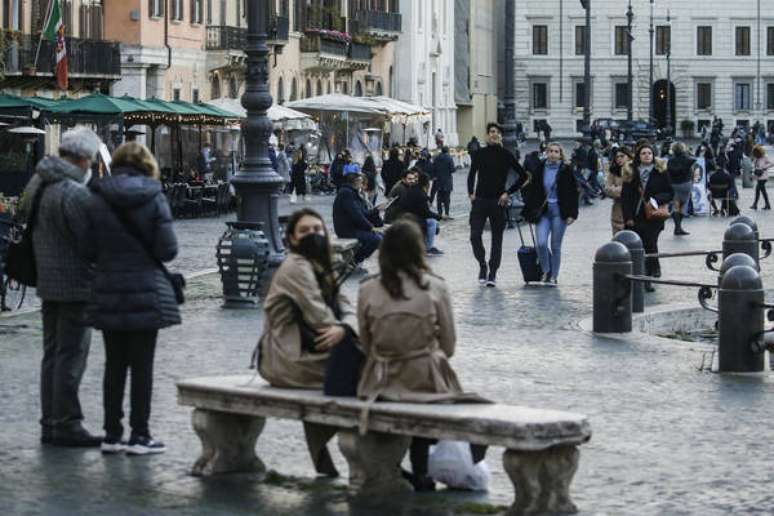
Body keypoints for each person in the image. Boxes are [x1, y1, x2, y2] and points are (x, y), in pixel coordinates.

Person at [357, 219, 483, 492]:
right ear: (419, 250)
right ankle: (422, 469)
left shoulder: (367, 289)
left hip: (381, 381)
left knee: (415, 402)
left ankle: (404, 469)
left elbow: (366, 344)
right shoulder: (435, 287)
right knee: (437, 398)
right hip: (423, 377)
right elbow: (448, 347)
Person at [82, 142, 180, 455]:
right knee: (142, 367)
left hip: (108, 287)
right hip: (145, 288)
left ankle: (112, 434)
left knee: (113, 365)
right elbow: (168, 250)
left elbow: (86, 249)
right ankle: (140, 434)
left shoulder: (96, 197)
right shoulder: (153, 196)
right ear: (148, 164)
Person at [257, 208, 362, 475]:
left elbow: (347, 307)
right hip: (287, 357)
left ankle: (343, 453)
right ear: (291, 238)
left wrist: (346, 328)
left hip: (308, 350)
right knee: (370, 375)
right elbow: (320, 315)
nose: (312, 235)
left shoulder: (318, 264)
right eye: (304, 231)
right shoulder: (296, 266)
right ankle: (368, 458)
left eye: (317, 230)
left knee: (362, 369)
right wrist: (344, 330)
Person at [21, 126, 102, 447]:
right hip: (75, 285)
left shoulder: (38, 183)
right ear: (83, 159)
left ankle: (50, 421)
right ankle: (67, 423)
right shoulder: (73, 192)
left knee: (52, 355)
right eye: (91, 161)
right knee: (71, 356)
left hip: (46, 280)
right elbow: (89, 241)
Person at [467, 122, 527, 287]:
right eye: (492, 132)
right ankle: (482, 264)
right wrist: (470, 193)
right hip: (479, 200)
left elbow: (523, 176)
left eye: (497, 132)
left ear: (500, 136)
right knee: (474, 236)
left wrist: (508, 193)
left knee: (497, 239)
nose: (494, 134)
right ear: (487, 135)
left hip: (497, 202)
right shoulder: (479, 153)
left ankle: (493, 272)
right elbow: (472, 174)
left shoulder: (506, 155)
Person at [522, 142, 579, 284]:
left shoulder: (566, 170)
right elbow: (533, 190)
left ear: (560, 154)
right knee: (541, 243)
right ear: (546, 153)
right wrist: (529, 211)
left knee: (555, 245)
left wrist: (573, 213)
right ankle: (546, 270)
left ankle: (554, 275)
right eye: (550, 151)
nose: (553, 154)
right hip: (543, 211)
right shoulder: (540, 168)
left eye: (556, 152)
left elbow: (573, 192)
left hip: (560, 211)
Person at [621, 143, 673, 292]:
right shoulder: (631, 171)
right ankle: (637, 275)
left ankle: (648, 277)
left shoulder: (660, 171)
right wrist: (628, 217)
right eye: (643, 153)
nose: (646, 155)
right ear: (638, 156)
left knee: (650, 244)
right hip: (636, 215)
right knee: (637, 246)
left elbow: (670, 192)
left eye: (649, 153)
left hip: (653, 215)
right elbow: (626, 197)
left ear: (653, 155)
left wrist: (655, 199)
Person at [333, 173, 383, 265]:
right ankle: (355, 260)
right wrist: (370, 227)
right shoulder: (346, 193)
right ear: (355, 182)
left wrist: (376, 210)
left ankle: (357, 259)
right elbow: (356, 215)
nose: (362, 184)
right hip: (346, 230)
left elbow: (362, 212)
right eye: (361, 182)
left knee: (380, 236)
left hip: (353, 227)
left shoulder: (352, 193)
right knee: (376, 239)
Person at [398, 172, 443, 255]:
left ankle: (425, 245)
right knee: (433, 222)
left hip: (406, 216)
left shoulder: (413, 189)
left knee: (432, 222)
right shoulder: (420, 193)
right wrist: (440, 217)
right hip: (412, 218)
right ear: (426, 183)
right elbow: (426, 213)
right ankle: (428, 248)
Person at [666, 142, 696, 236]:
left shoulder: (670, 161)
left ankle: (677, 227)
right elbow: (694, 160)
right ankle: (679, 227)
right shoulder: (687, 159)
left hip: (674, 184)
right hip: (685, 184)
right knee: (683, 205)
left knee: (676, 205)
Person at [605, 147, 632, 235]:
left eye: (622, 156)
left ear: (628, 157)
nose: (619, 159)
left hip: (633, 212)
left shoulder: (634, 170)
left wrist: (617, 188)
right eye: (617, 157)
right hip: (618, 212)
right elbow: (607, 189)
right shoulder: (613, 171)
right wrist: (623, 190)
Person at [431, 145, 455, 219]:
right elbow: (452, 169)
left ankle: (440, 214)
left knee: (439, 198)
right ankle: (447, 214)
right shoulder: (449, 158)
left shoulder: (436, 158)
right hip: (447, 180)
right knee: (447, 198)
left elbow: (433, 168)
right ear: (447, 151)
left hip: (438, 180)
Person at [751, 144, 773, 210]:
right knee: (763, 192)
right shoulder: (756, 158)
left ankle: (755, 204)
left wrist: (764, 167)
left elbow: (771, 163)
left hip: (763, 177)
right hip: (759, 176)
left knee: (757, 190)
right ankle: (767, 205)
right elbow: (755, 165)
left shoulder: (764, 157)